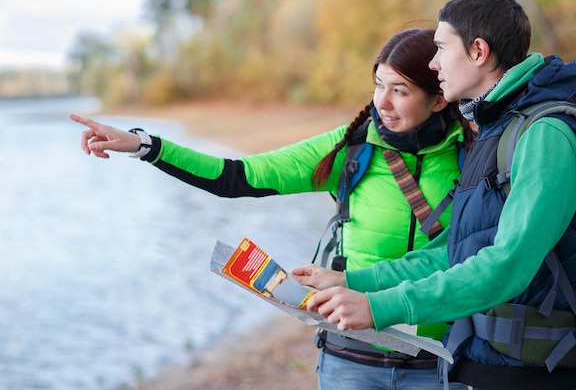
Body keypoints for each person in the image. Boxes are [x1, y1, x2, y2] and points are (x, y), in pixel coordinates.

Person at [70, 28, 473, 390]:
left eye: (400, 90)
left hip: (438, 362)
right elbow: (236, 175)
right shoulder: (350, 147)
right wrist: (146, 145)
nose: (381, 102)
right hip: (350, 360)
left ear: (439, 98)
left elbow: (479, 258)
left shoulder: (474, 155)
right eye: (378, 85)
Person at [292, 0, 576, 390]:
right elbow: (456, 249)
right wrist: (352, 283)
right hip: (488, 364)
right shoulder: (496, 128)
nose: (434, 63)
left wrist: (381, 307)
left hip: (534, 374)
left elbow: (507, 265)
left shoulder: (546, 136)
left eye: (441, 48)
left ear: (478, 51)